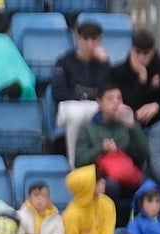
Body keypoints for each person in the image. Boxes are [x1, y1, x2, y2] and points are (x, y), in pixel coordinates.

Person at [50, 19, 111, 170]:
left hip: (94, 106)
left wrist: (104, 63)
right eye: (85, 39)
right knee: (77, 113)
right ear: (78, 39)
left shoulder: (102, 63)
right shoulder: (65, 61)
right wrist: (84, 96)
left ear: (100, 40)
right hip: (68, 108)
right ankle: (74, 164)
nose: (89, 43)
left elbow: (106, 90)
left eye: (94, 39)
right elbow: (58, 92)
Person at [110, 29, 160, 131]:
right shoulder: (119, 71)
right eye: (138, 52)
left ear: (152, 51)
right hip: (128, 124)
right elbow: (126, 101)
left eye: (146, 53)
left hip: (158, 121)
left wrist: (156, 106)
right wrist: (141, 79)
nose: (141, 57)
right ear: (132, 49)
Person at [61, 164, 115, 234]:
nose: (103, 182)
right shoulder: (71, 214)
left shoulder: (108, 204)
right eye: (98, 181)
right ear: (87, 186)